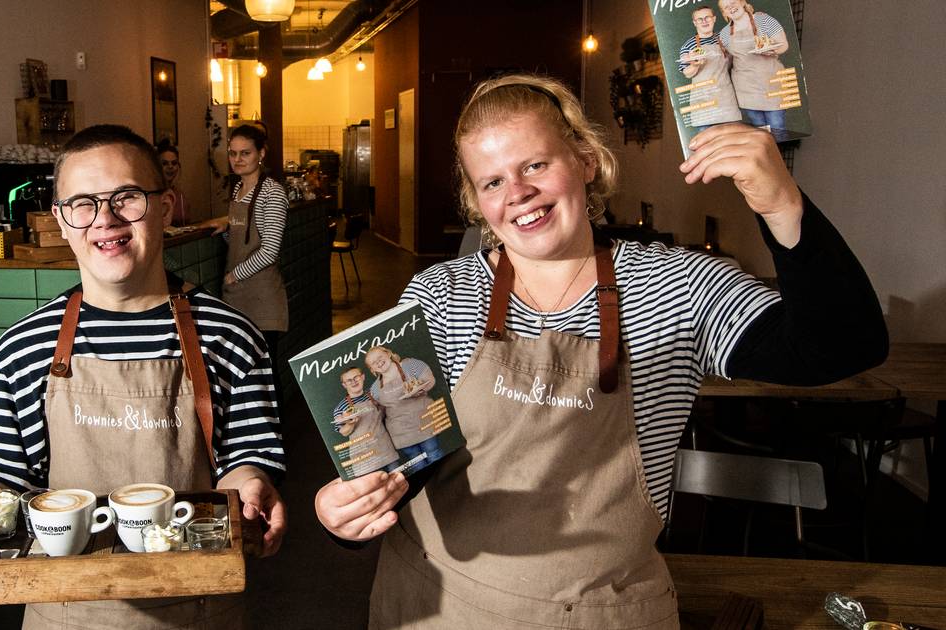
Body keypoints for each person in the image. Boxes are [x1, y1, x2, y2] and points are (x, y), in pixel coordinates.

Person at [314, 73, 886, 628]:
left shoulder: (679, 287)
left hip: (599, 614)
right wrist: (351, 508)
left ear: (585, 160)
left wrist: (782, 203)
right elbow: (406, 459)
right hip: (439, 605)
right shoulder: (440, 295)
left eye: (535, 165)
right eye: (491, 182)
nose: (518, 194)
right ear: (476, 201)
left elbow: (840, 347)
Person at [0, 124, 287, 629]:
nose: (104, 220)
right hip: (63, 610)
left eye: (126, 198)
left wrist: (256, 486)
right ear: (62, 221)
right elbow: (1, 478)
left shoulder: (230, 335)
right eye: (82, 204)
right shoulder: (23, 346)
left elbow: (246, 462)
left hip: (197, 607)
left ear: (165, 205)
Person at [205, 124, 288, 356]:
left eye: (245, 153)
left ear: (261, 153)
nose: (237, 159)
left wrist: (234, 276)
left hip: (261, 296)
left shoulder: (272, 192)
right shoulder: (238, 189)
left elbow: (270, 250)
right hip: (239, 294)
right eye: (233, 153)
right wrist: (226, 228)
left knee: (265, 370)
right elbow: (241, 241)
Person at [363, 346, 440, 475]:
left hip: (424, 423)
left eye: (380, 357)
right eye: (373, 363)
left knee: (434, 455)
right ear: (372, 369)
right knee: (418, 465)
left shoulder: (411, 365)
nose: (378, 362)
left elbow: (430, 380)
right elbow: (381, 413)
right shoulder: (375, 389)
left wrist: (419, 389)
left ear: (388, 354)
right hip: (400, 434)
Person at [718, 0, 790, 130]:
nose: (731, 7)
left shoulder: (763, 19)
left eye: (733, 2)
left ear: (742, 2)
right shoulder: (724, 33)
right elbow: (728, 61)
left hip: (772, 85)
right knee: (759, 130)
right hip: (746, 90)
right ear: (724, 12)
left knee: (777, 127)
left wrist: (772, 50)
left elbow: (783, 45)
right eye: (726, 7)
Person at [679, 5, 742, 131]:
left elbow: (735, 61)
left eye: (707, 17)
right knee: (710, 146)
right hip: (703, 103)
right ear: (694, 23)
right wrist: (694, 65)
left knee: (733, 142)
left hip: (726, 99)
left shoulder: (724, 39)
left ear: (714, 19)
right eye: (700, 19)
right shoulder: (688, 46)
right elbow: (687, 73)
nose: (704, 21)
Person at [334, 366, 400, 476]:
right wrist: (351, 423)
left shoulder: (374, 395)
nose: (354, 382)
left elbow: (385, 413)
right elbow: (344, 432)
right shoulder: (341, 408)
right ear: (344, 385)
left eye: (356, 377)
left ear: (363, 377)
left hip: (384, 447)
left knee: (399, 479)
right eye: (349, 380)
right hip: (364, 456)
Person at [156, 140, 190, 226]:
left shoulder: (180, 195)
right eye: (165, 163)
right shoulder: (153, 195)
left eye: (174, 163)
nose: (170, 167)